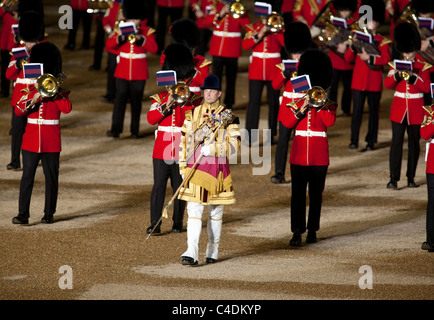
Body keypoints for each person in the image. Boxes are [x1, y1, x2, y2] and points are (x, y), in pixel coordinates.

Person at [178, 74, 241, 265]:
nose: (209, 94)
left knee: (215, 212)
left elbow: (234, 145)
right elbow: (184, 141)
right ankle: (191, 251)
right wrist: (182, 166)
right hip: (195, 169)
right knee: (194, 210)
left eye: (212, 91)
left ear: (219, 93)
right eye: (206, 90)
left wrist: (212, 149)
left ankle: (213, 250)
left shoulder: (228, 116)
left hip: (218, 170)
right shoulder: (192, 114)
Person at [279, 49, 336, 246]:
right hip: (299, 151)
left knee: (316, 194)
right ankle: (297, 231)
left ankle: (313, 230)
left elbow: (330, 121)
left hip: (319, 154)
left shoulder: (326, 101)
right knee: (297, 194)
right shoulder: (296, 94)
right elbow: (286, 123)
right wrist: (301, 107)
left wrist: (319, 104)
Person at [12, 42, 72, 224]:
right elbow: (18, 111)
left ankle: (49, 213)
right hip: (31, 140)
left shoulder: (58, 91)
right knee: (27, 177)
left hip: (51, 140)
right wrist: (35, 96)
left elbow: (67, 108)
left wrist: (54, 94)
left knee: (51, 178)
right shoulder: (29, 90)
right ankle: (23, 214)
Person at [146, 44, 202, 234]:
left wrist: (182, 101)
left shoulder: (191, 100)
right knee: (159, 186)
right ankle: (155, 223)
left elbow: (189, 120)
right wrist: (166, 104)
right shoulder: (159, 98)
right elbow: (151, 119)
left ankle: (177, 222)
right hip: (161, 147)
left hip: (181, 147)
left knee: (179, 186)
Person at [384, 22, 432, 189]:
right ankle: (393, 178)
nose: (407, 55)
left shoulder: (422, 66)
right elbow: (387, 84)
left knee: (413, 144)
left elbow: (427, 88)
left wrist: (413, 78)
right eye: (405, 52)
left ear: (415, 49)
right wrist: (396, 75)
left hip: (416, 109)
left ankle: (410, 177)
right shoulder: (394, 65)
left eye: (410, 51)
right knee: (396, 143)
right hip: (399, 110)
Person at [105, 0, 158, 138]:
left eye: (136, 18)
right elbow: (109, 45)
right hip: (122, 71)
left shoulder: (147, 31)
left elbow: (154, 48)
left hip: (139, 73)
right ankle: (115, 129)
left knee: (136, 102)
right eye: (131, 18)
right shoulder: (120, 29)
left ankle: (135, 130)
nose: (134, 21)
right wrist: (120, 38)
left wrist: (142, 39)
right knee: (119, 101)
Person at [345, 0, 391, 151]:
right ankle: (353, 140)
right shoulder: (357, 37)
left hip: (373, 81)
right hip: (358, 81)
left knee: (373, 113)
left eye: (372, 21)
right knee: (356, 112)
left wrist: (370, 58)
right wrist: (352, 46)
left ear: (377, 23)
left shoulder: (382, 41)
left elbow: (385, 60)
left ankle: (371, 141)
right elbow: (348, 59)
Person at [270, 21, 312, 184]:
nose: (296, 56)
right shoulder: (283, 66)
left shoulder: (308, 64)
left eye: (298, 53)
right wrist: (284, 74)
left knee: (299, 142)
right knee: (282, 142)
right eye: (294, 53)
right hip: (287, 109)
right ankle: (279, 172)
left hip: (302, 107)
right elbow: (275, 85)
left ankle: (300, 171)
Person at [6, 7, 45, 171]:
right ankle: (15, 160)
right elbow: (8, 75)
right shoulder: (18, 53)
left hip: (36, 97)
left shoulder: (43, 52)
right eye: (27, 41)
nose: (29, 44)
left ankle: (39, 156)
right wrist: (17, 63)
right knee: (17, 131)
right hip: (19, 98)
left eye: (32, 41)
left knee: (37, 129)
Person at [242, 3, 285, 146]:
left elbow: (284, 44)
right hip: (257, 70)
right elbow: (246, 45)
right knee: (254, 103)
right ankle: (249, 137)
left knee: (273, 104)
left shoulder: (279, 28)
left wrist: (276, 30)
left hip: (274, 70)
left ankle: (272, 135)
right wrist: (260, 33)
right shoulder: (253, 27)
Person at [204, 0, 250, 110]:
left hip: (232, 49)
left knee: (231, 78)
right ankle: (215, 103)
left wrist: (240, 13)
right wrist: (220, 13)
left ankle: (229, 103)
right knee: (216, 78)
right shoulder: (216, 7)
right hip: (217, 48)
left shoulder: (238, 7)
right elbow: (207, 22)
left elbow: (247, 25)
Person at [327, 0, 358, 117]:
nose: (344, 13)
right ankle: (331, 109)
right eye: (342, 10)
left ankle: (346, 109)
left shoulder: (354, 24)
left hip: (347, 60)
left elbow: (356, 39)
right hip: (334, 59)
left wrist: (346, 44)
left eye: (346, 10)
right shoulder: (333, 22)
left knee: (347, 87)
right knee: (333, 87)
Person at [99, 0, 123, 104]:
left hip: (125, 44)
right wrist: (109, 31)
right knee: (112, 69)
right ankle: (111, 93)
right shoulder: (113, 4)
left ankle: (122, 94)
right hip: (113, 43)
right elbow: (106, 20)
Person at [419, 107, 434, 252]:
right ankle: (431, 239)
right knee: (433, 201)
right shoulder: (430, 112)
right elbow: (424, 134)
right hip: (433, 163)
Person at [0, 1, 18, 98]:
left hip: (17, 42)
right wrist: (4, 8)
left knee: (17, 68)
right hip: (5, 41)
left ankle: (17, 91)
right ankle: (4, 90)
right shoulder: (6, 2)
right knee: (4, 67)